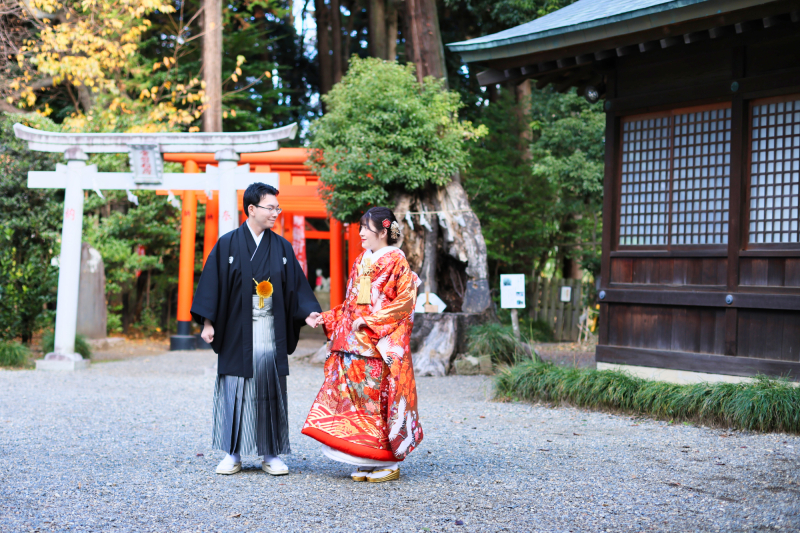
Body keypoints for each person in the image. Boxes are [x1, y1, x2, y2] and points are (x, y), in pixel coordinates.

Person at [191, 182, 322, 476]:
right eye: (270, 207)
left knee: (268, 389)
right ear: (252, 209)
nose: (276, 212)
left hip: (270, 329)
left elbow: (295, 288)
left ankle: (270, 453)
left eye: (278, 207)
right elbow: (212, 284)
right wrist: (208, 322)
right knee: (234, 389)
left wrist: (308, 312)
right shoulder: (227, 244)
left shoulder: (282, 247)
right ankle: (233, 453)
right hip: (237, 329)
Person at [302, 206, 423, 483]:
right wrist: (326, 317)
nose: (360, 233)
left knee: (378, 402)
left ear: (383, 231)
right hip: (354, 345)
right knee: (357, 401)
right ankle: (364, 458)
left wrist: (373, 320)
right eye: (360, 228)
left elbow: (405, 303)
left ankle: (386, 460)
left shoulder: (396, 261)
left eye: (366, 228)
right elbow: (351, 303)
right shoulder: (361, 260)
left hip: (377, 345)